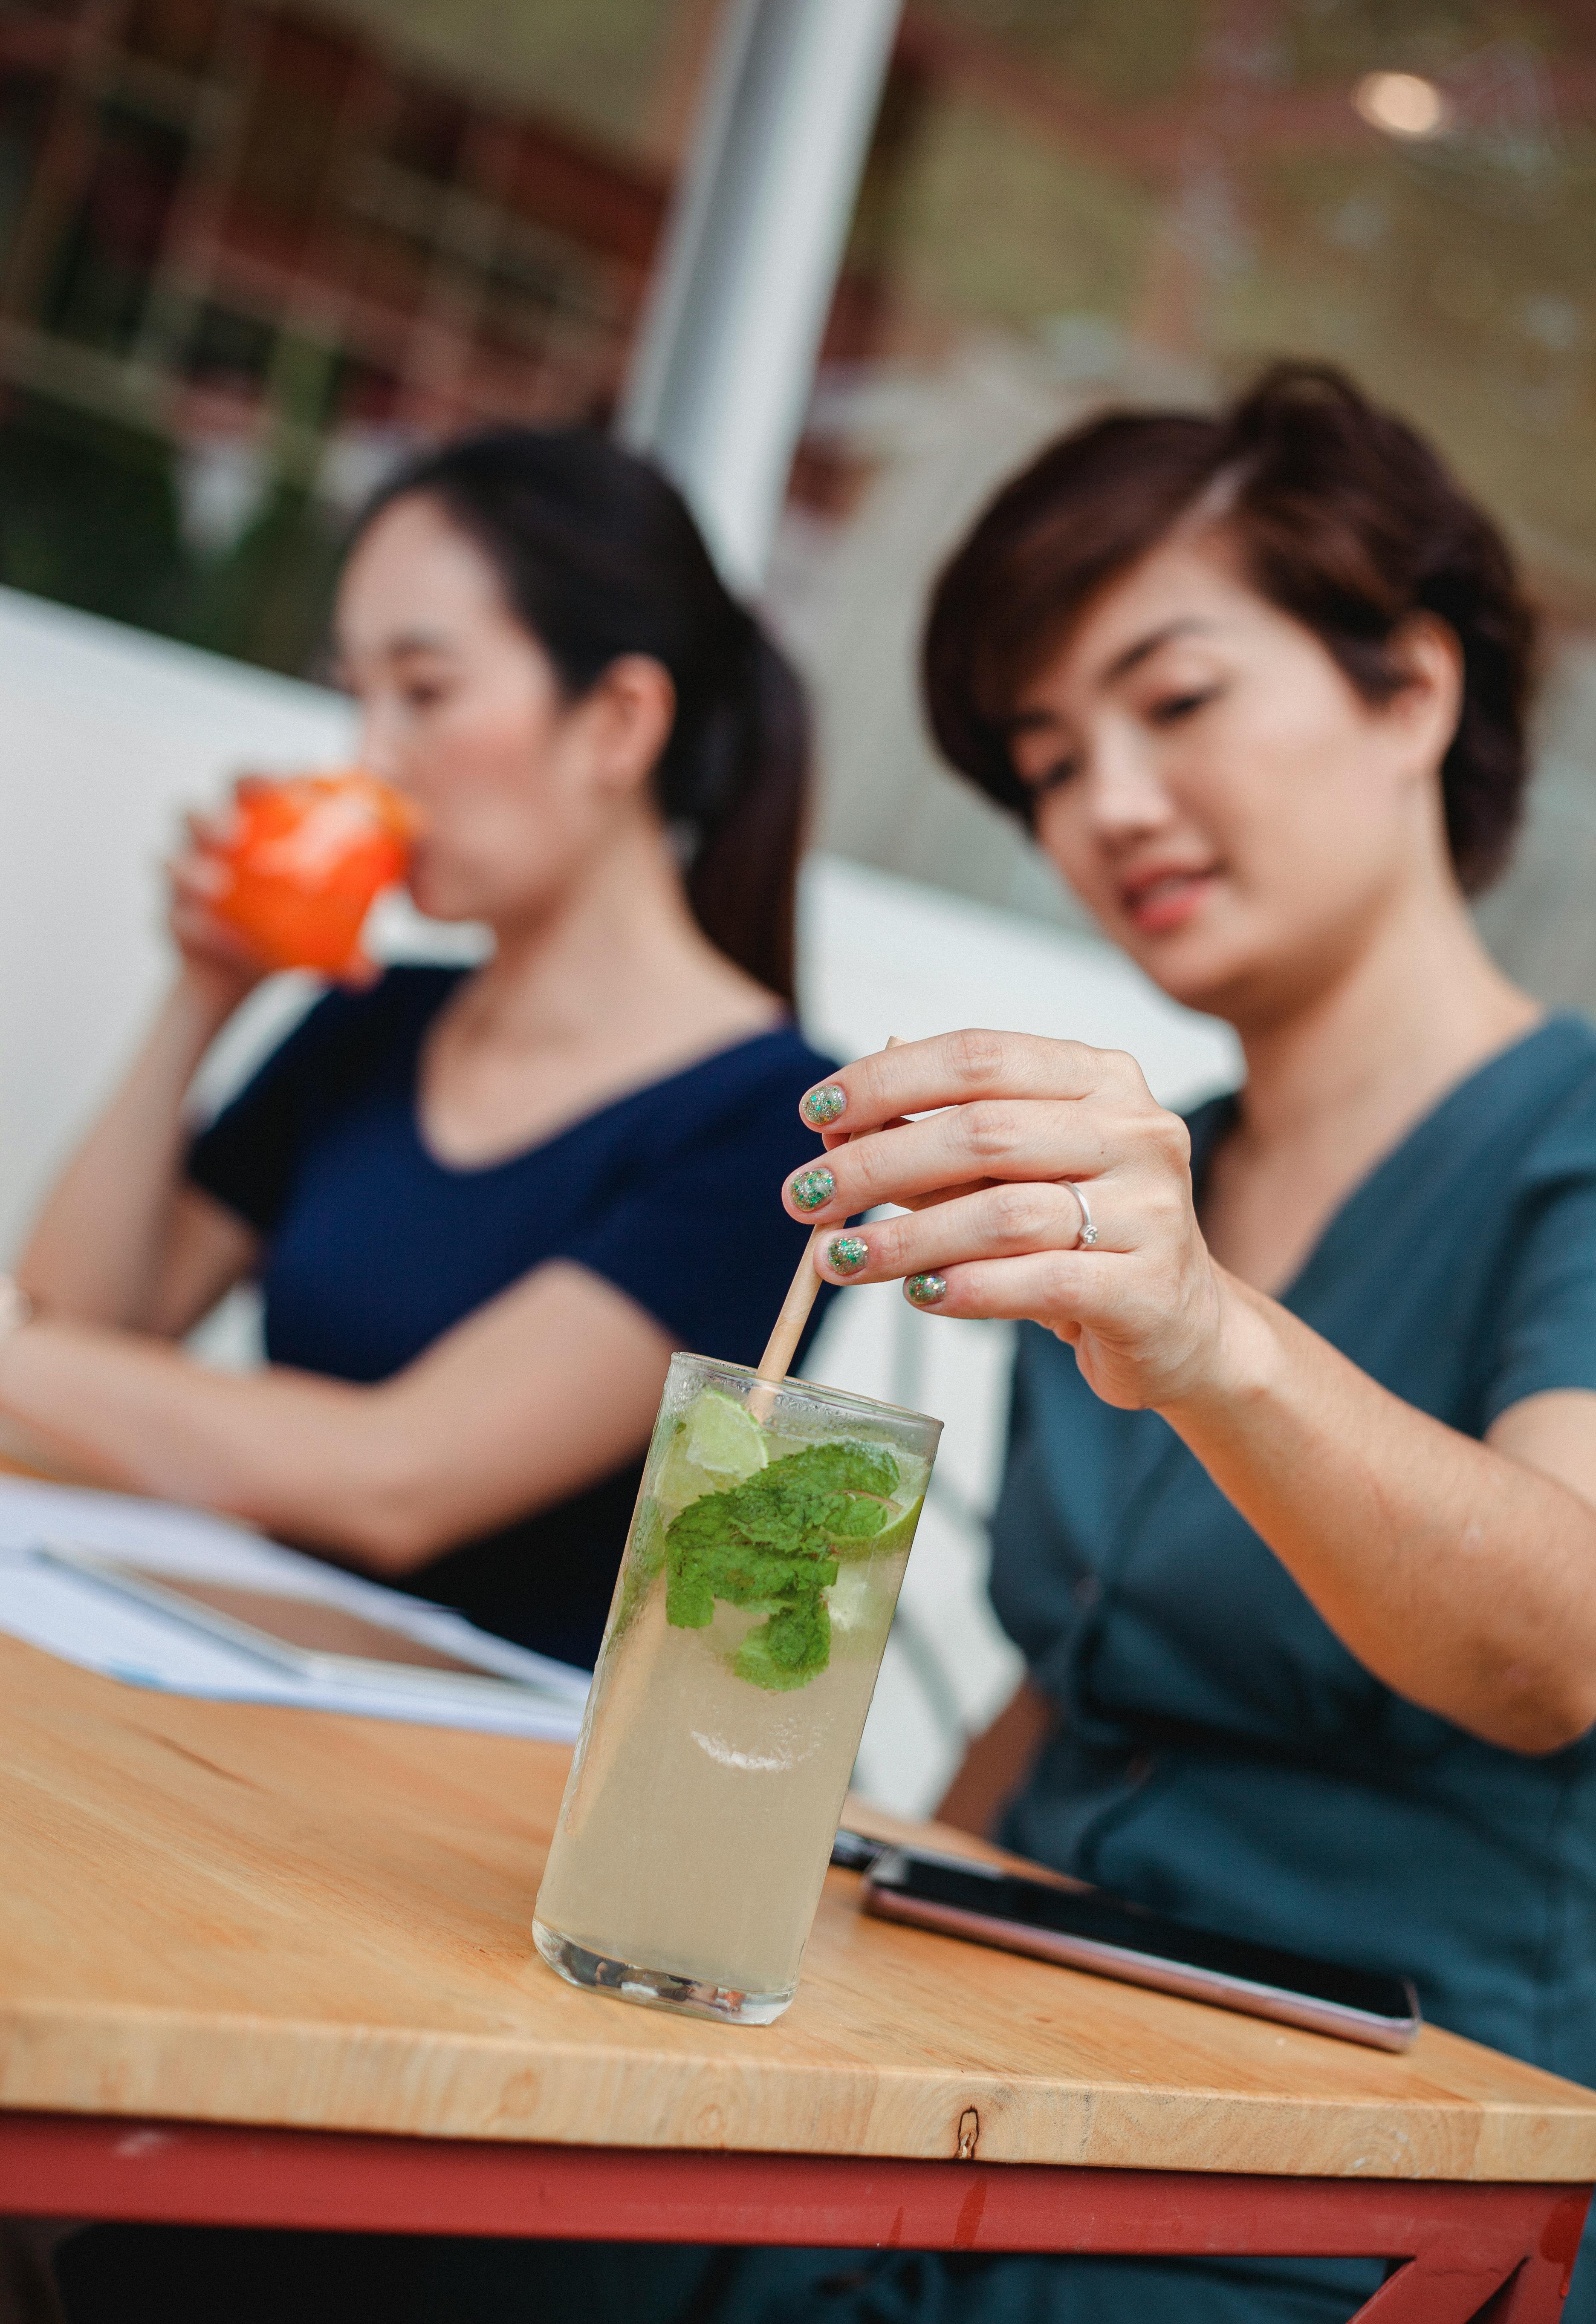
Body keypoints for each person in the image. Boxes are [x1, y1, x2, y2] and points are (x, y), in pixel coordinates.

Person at [52, 364, 1593, 2324]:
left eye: (1178, 701)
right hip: (1012, 2090)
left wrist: (1210, 1332)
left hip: (1369, 2168)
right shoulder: (1139, 1171)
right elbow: (1077, 1692)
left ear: (1415, 694)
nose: (1105, 805)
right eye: (1044, 758)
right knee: (274, 2225)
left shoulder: (1504, 1160)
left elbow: (1556, 1651)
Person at [1, 427, 835, 1670]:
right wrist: (204, 995)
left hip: (476, 1782)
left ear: (617, 721)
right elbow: (79, 1337)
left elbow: (397, 1481)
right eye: (358, 696)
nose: (371, 758)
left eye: (426, 693)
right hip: (227, 1679)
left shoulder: (778, 1127)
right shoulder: (373, 1019)